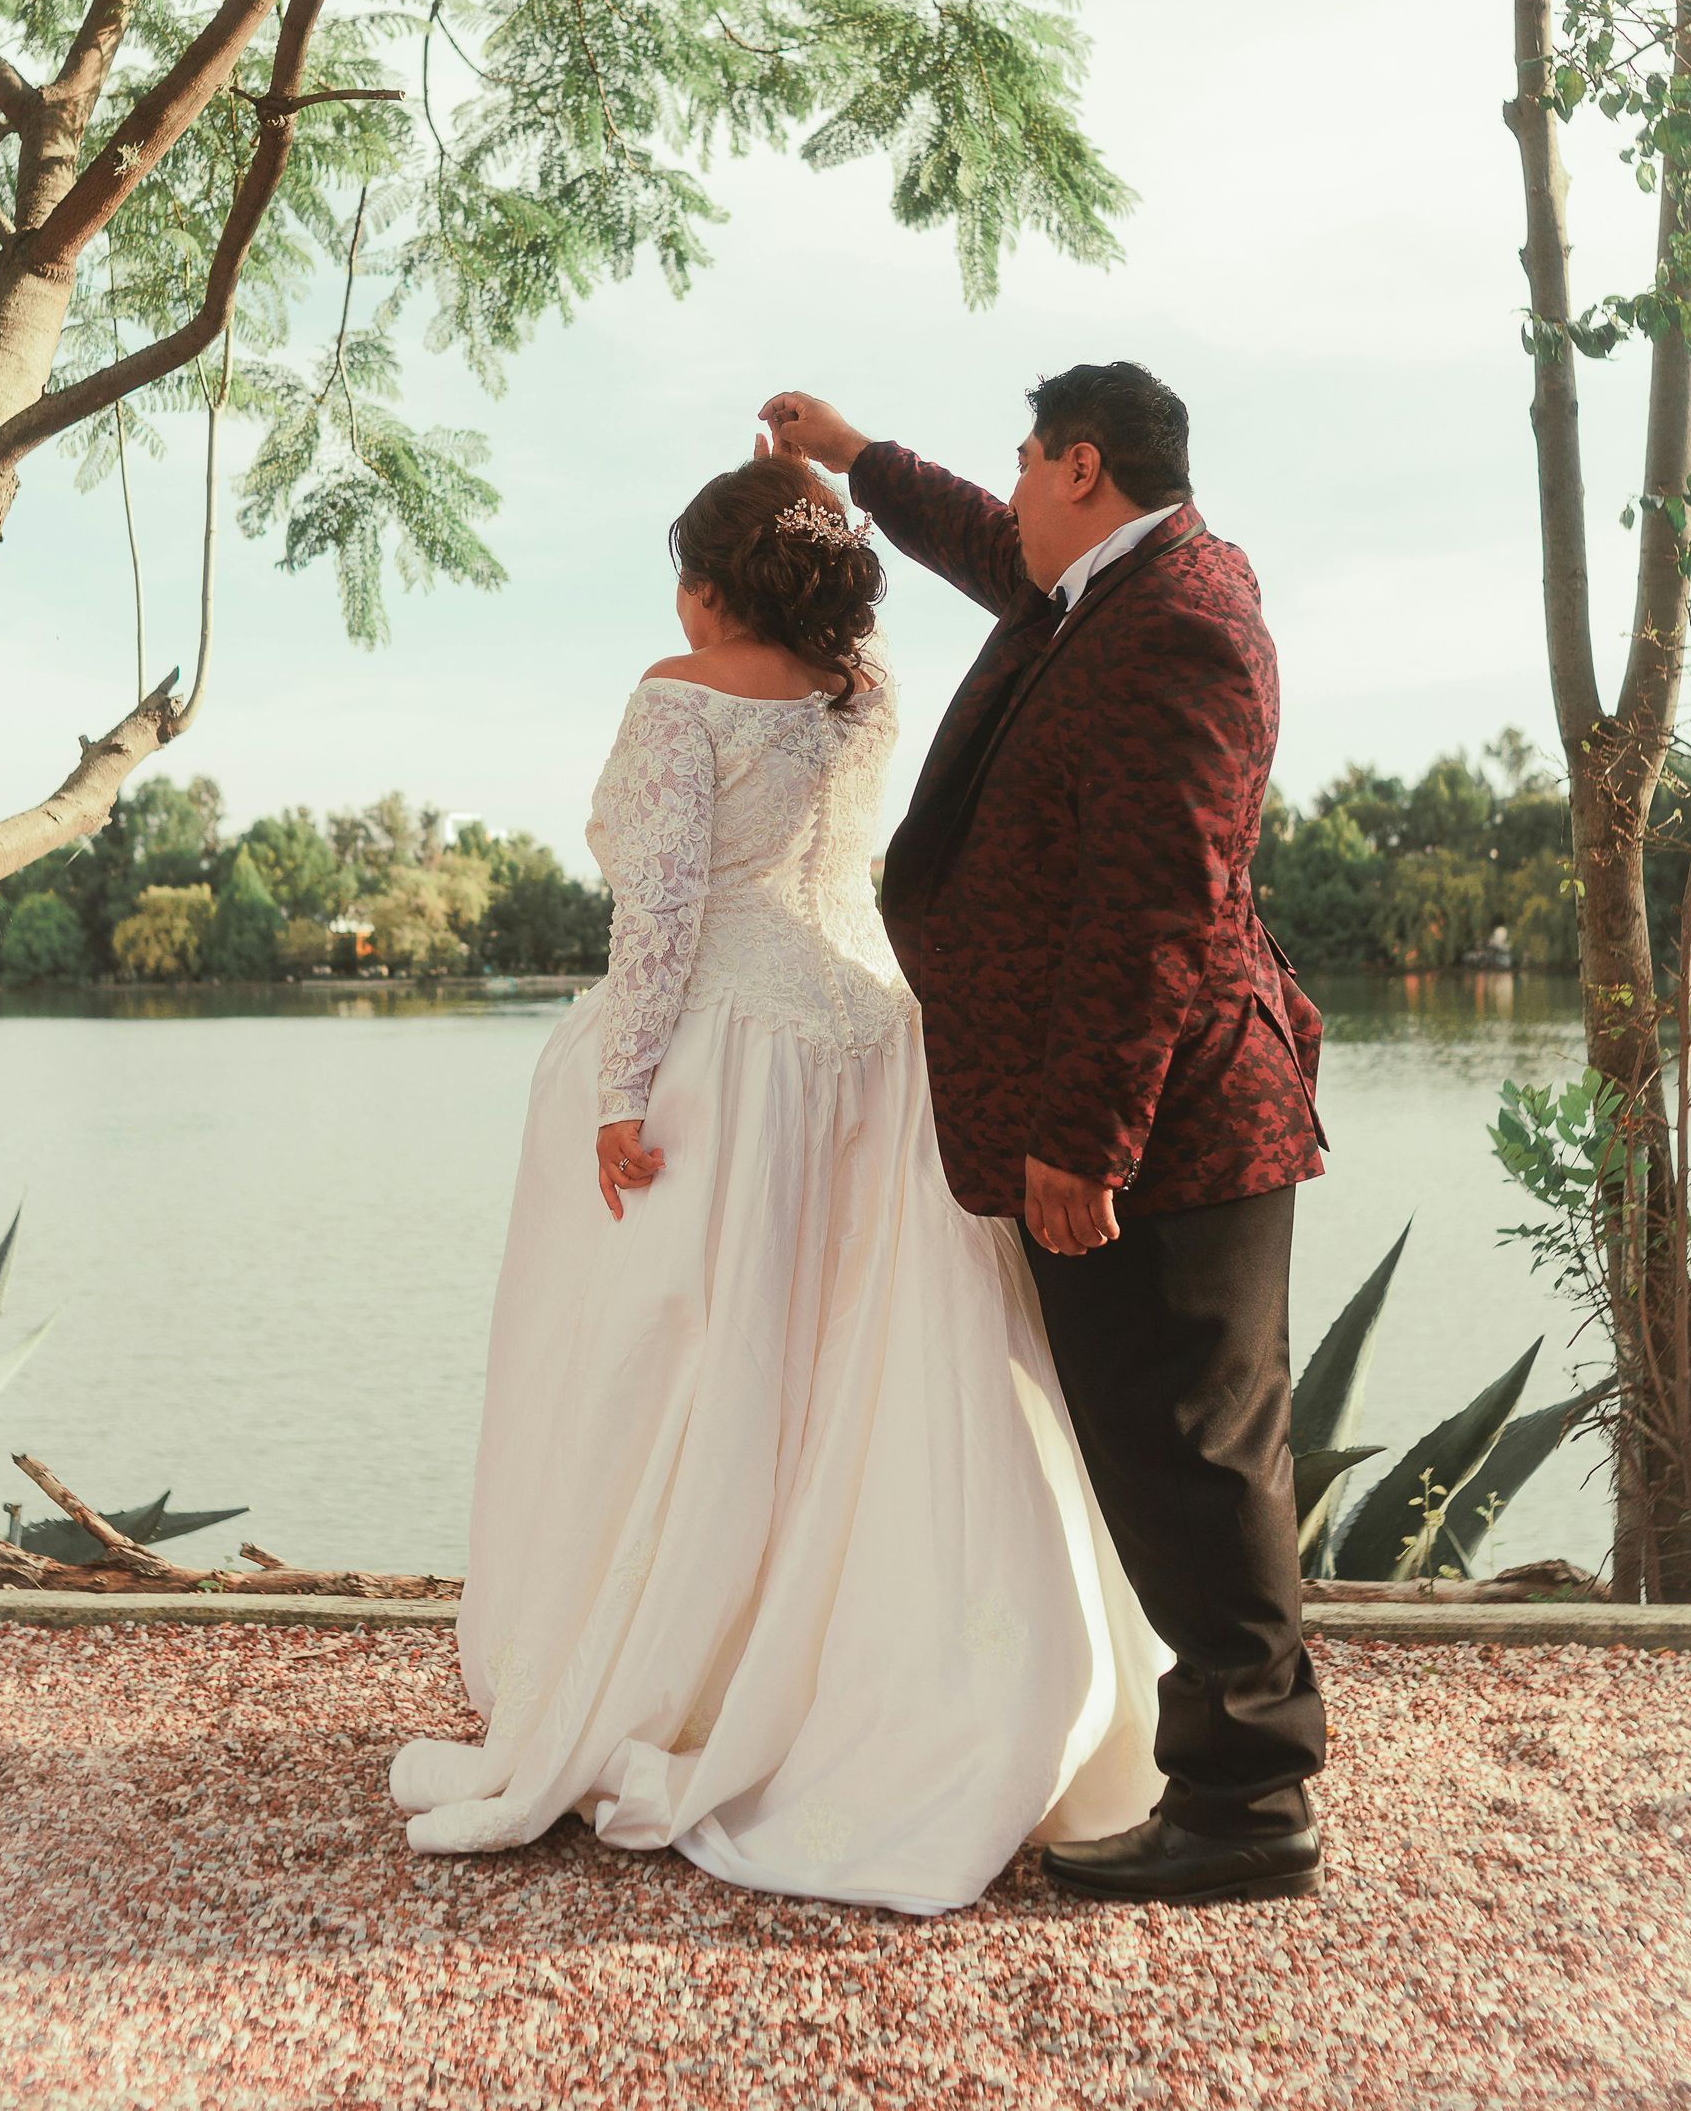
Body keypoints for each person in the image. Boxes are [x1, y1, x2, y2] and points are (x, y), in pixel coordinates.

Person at [391, 451, 1165, 1915]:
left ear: (703, 581)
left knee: (683, 1364)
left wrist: (622, 1094)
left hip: (726, 1061)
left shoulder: (680, 689)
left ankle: (680, 1670)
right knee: (867, 1380)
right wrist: (816, 476)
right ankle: (906, 1684)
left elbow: (664, 908)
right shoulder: (858, 693)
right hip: (875, 1044)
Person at [759, 365, 1328, 1908]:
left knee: (1196, 1452)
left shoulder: (1184, 623)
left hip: (1168, 1123)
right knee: (1170, 1448)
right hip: (1129, 1112)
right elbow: (977, 542)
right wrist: (851, 456)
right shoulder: (1103, 586)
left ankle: (1251, 1804)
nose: (1009, 488)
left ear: (1084, 465)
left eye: (1025, 460)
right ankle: (1227, 1771)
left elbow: (1161, 913)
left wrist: (1086, 1143)